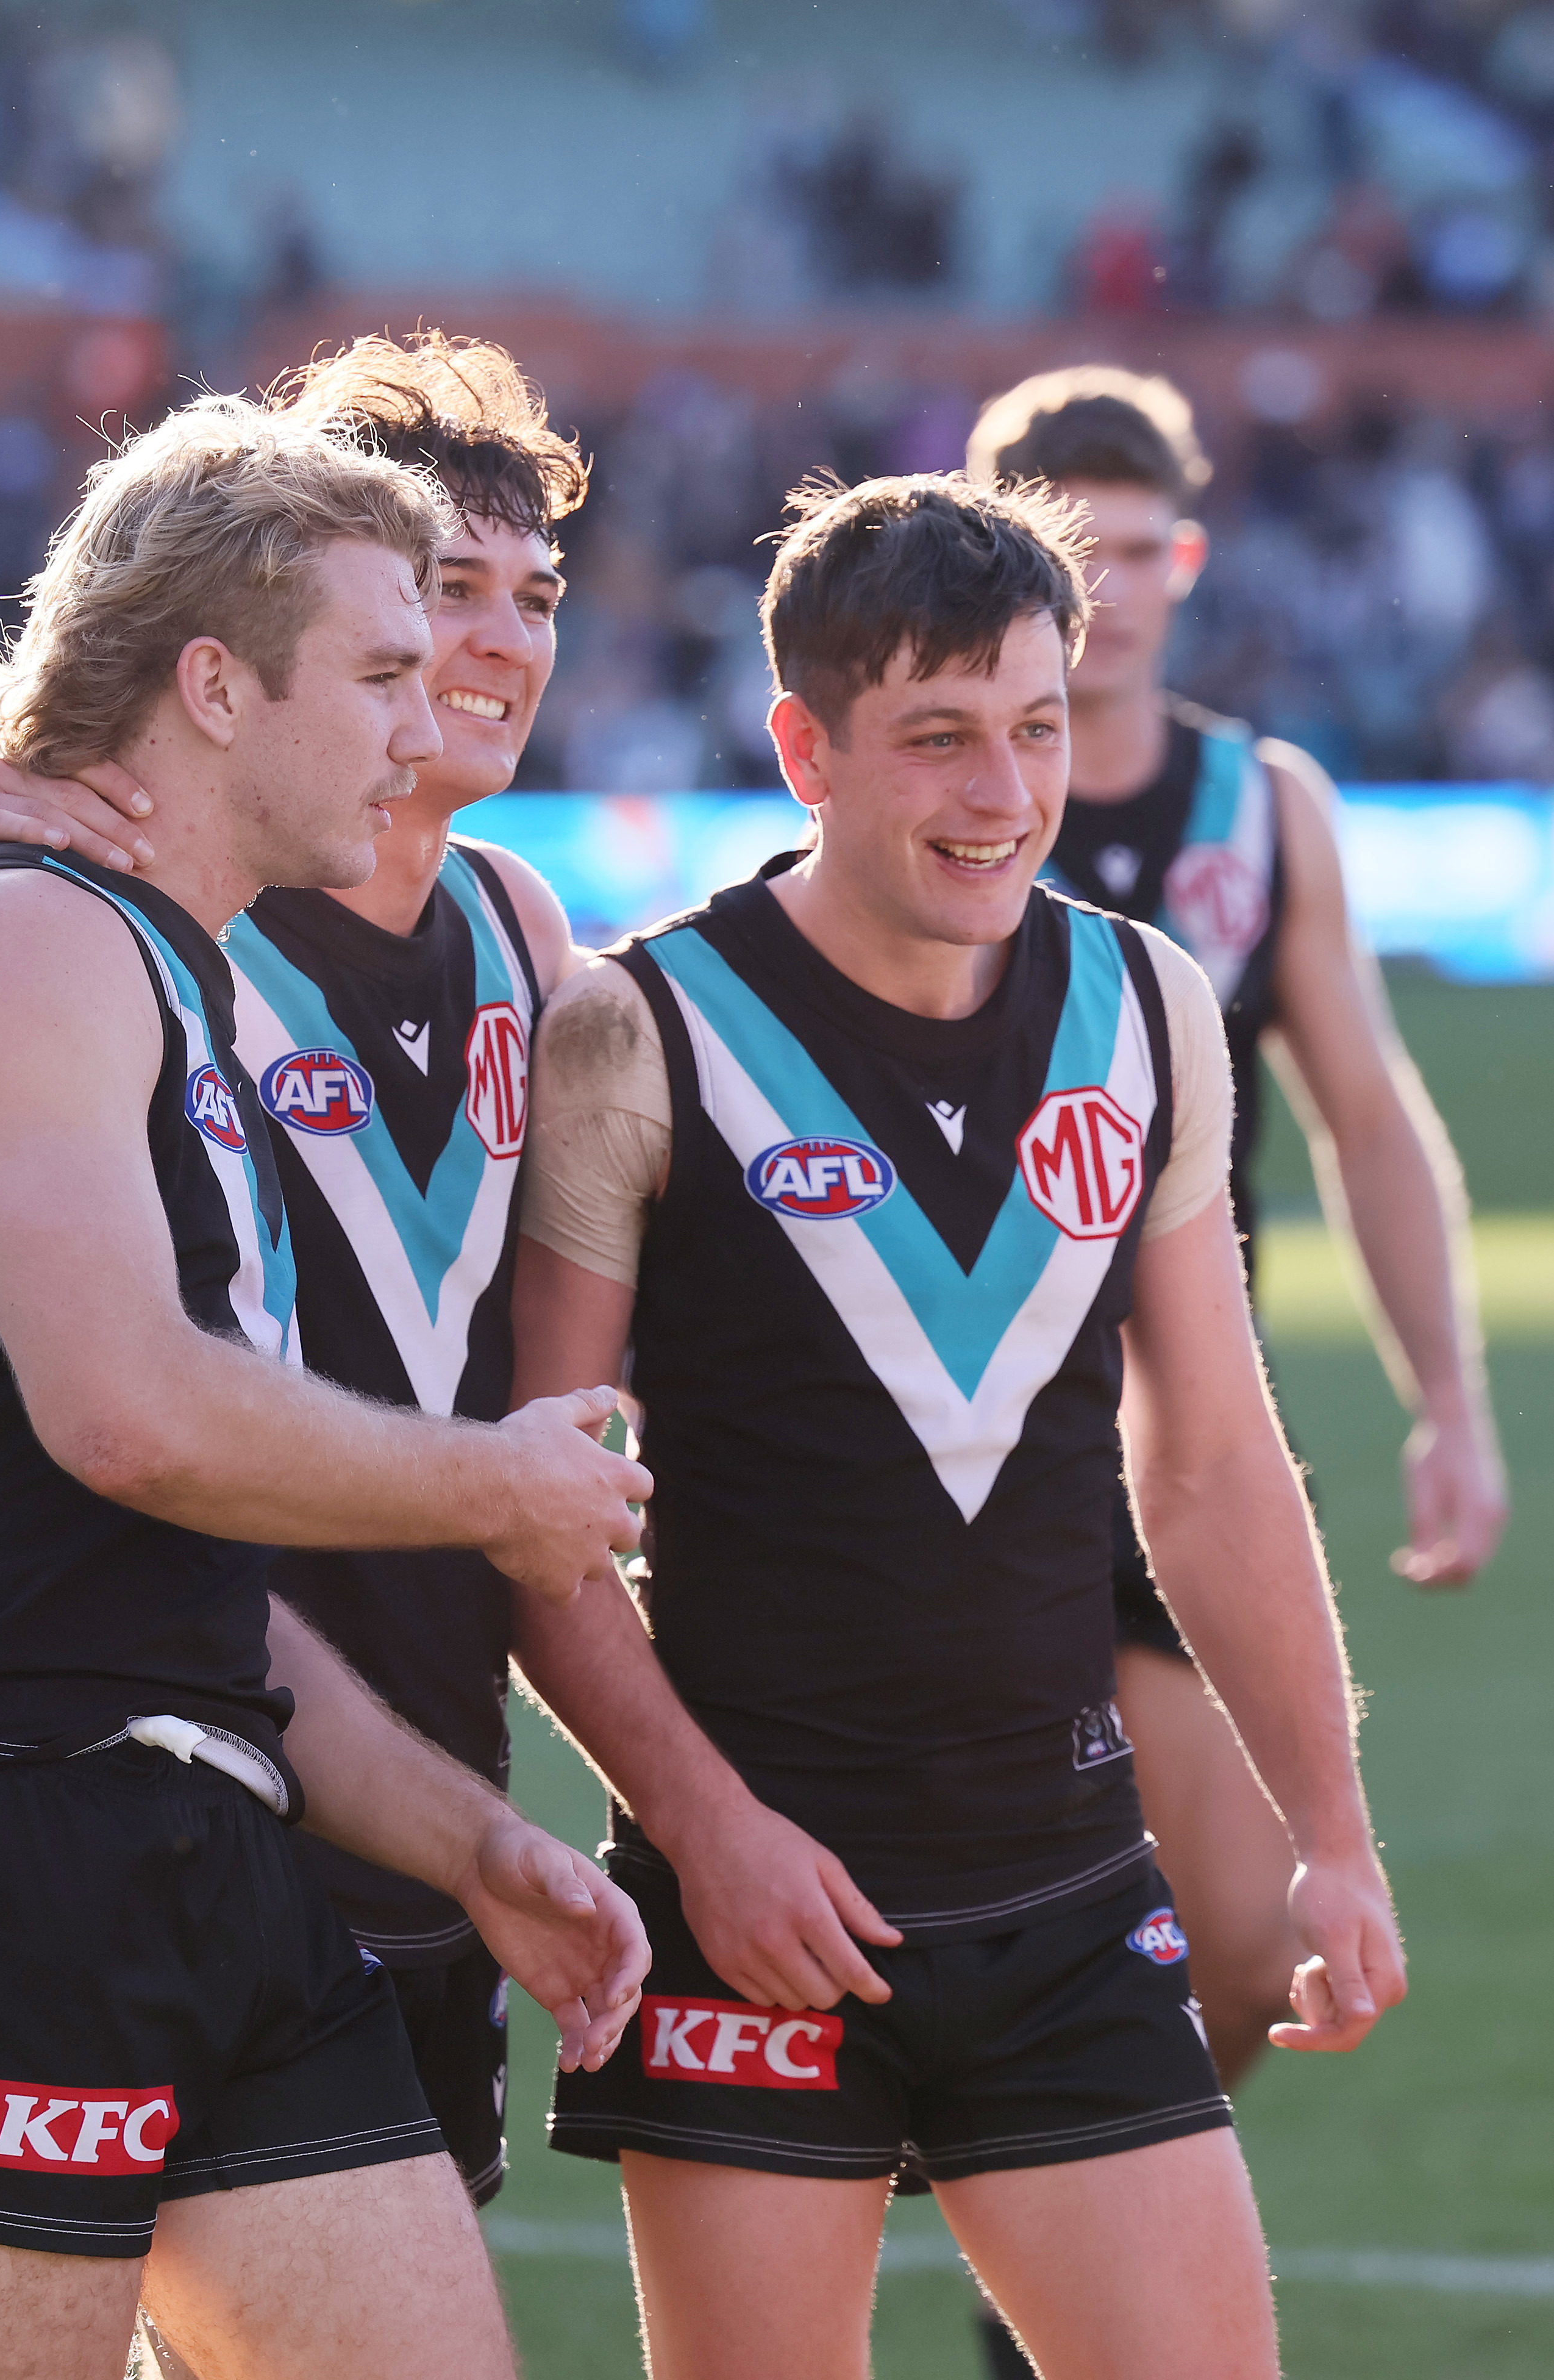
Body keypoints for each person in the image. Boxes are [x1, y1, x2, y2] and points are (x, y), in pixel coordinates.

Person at [0, 393, 654, 2380]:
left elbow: (193, 1592)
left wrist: (471, 1843)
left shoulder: (171, 969)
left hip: (215, 1843)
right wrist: (490, 1485)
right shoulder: (26, 938)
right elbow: (127, 1421)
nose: (433, 727)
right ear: (217, 687)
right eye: (388, 672)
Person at [506, 472, 1406, 2380]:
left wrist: (1327, 1831)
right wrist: (704, 1832)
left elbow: (1212, 1459)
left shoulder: (1143, 1005)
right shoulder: (634, 1031)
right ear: (803, 750)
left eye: (1034, 727)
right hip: (756, 1921)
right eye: (934, 740)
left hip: (1071, 1899)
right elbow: (538, 1518)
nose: (999, 794)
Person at [966, 366, 1506, 2088]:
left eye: (1138, 548)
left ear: (1187, 559)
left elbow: (1366, 1111)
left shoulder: (1257, 811)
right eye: (1069, 551)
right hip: (942, 1441)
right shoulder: (940, 801)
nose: (1106, 589)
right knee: (908, 1944)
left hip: (1175, 1441)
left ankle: (1027, 2309)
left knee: (1243, 1945)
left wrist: (1452, 1401)